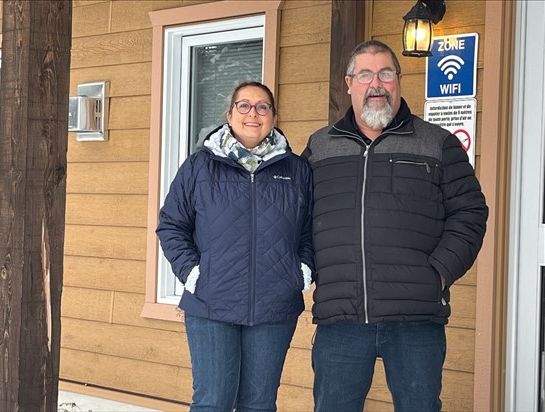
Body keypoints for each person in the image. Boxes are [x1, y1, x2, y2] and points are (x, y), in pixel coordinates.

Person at [302, 40, 488, 411]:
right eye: (366, 74)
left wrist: (437, 275)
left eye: (386, 73)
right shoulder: (321, 147)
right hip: (342, 317)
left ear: (399, 81)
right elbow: (298, 219)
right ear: (349, 83)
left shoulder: (438, 144)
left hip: (415, 317)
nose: (376, 84)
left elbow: (470, 213)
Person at [156, 81, 315, 412]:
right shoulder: (200, 167)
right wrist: (193, 273)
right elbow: (171, 224)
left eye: (262, 107)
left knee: (258, 404)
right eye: (243, 106)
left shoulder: (297, 170)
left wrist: (300, 272)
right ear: (230, 115)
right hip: (212, 304)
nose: (252, 114)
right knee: (213, 402)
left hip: (274, 307)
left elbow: (312, 231)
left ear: (274, 116)